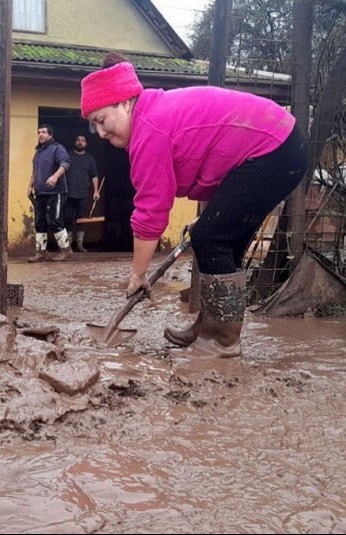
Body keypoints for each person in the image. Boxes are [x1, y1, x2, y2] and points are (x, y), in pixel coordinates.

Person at [80, 53, 308, 358]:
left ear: (124, 103)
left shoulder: (150, 130)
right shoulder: (153, 113)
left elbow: (150, 215)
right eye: (95, 126)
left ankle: (221, 341)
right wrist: (210, 216)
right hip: (280, 145)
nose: (102, 133)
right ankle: (211, 327)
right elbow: (212, 161)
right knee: (222, 241)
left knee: (212, 238)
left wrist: (138, 274)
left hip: (274, 149)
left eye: (102, 121)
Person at [28, 124, 73, 262]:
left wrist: (55, 177)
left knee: (55, 220)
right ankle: (41, 252)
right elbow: (35, 171)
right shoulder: (38, 152)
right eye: (39, 132)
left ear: (50, 135)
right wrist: (30, 186)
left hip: (56, 191)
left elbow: (65, 163)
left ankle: (66, 250)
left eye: (43, 132)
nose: (40, 134)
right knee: (39, 222)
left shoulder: (57, 148)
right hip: (40, 192)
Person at [64, 134, 101, 252]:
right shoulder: (67, 156)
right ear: (75, 142)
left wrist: (96, 191)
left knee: (82, 219)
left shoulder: (90, 158)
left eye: (83, 140)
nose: (80, 142)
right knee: (68, 219)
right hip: (68, 193)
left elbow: (94, 175)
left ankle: (80, 245)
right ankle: (68, 245)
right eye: (78, 140)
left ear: (86, 144)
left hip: (83, 194)